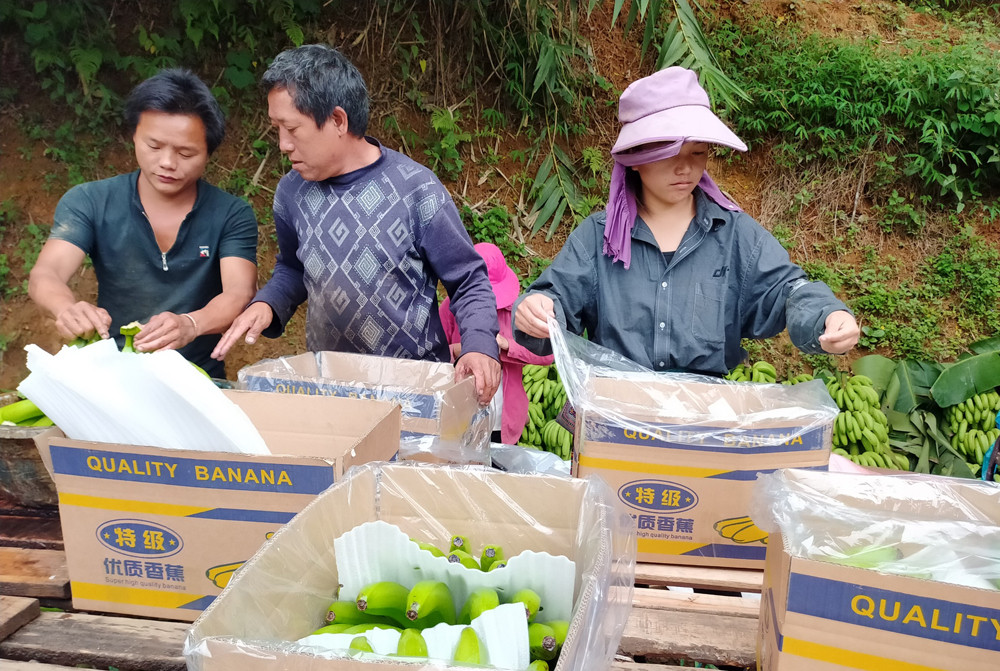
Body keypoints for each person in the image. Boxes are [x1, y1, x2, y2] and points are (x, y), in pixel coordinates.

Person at [513, 67, 859, 375]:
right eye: (668, 155)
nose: (686, 168)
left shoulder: (735, 235)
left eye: (697, 153)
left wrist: (827, 316)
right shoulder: (597, 238)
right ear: (635, 158)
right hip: (613, 419)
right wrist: (537, 312)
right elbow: (552, 303)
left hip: (702, 425)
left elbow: (788, 290)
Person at [212, 44, 501, 404]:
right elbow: (293, 267)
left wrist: (480, 345)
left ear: (337, 120)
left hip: (415, 394)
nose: (283, 145)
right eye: (277, 129)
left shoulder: (416, 190)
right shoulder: (292, 193)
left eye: (292, 129)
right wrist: (266, 304)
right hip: (329, 392)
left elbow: (468, 278)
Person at [28, 69, 258, 379]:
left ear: (208, 154)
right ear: (134, 135)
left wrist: (190, 325)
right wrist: (66, 307)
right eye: (154, 146)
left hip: (198, 379)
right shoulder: (91, 201)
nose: (167, 162)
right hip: (110, 374)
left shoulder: (231, 214)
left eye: (185, 152)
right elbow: (47, 273)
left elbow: (239, 293)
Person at [439, 242, 554, 444]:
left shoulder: (517, 311)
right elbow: (433, 352)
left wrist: (508, 346)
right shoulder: (451, 307)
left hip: (503, 419)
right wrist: (458, 351)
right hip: (462, 415)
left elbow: (547, 355)